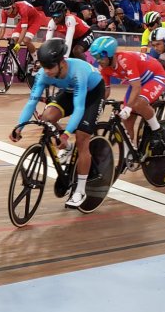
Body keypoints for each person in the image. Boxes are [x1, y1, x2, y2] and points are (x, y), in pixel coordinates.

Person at [10, 38, 105, 209]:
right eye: (44, 67)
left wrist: (66, 133)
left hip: (92, 93)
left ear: (62, 62)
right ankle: (67, 148)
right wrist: (19, 127)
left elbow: (79, 108)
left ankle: (80, 190)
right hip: (69, 91)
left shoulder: (78, 73)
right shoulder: (43, 74)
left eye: (50, 67)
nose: (46, 72)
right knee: (46, 117)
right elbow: (31, 103)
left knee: (82, 137)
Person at [89, 36, 165, 158]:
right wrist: (95, 104)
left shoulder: (125, 60)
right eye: (95, 57)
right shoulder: (104, 69)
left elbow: (136, 87)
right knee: (127, 120)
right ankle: (129, 154)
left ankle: (157, 131)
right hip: (138, 80)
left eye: (100, 57)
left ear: (110, 54)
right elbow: (106, 90)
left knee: (137, 103)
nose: (98, 60)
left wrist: (128, 107)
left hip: (155, 76)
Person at [0, 0, 48, 70]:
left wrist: (18, 44)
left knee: (26, 40)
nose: (6, 11)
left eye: (8, 9)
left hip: (35, 20)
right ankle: (15, 66)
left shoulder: (23, 8)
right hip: (24, 20)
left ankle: (36, 60)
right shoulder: (4, 12)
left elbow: (24, 29)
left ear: (13, 5)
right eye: (4, 9)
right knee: (13, 40)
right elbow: (2, 28)